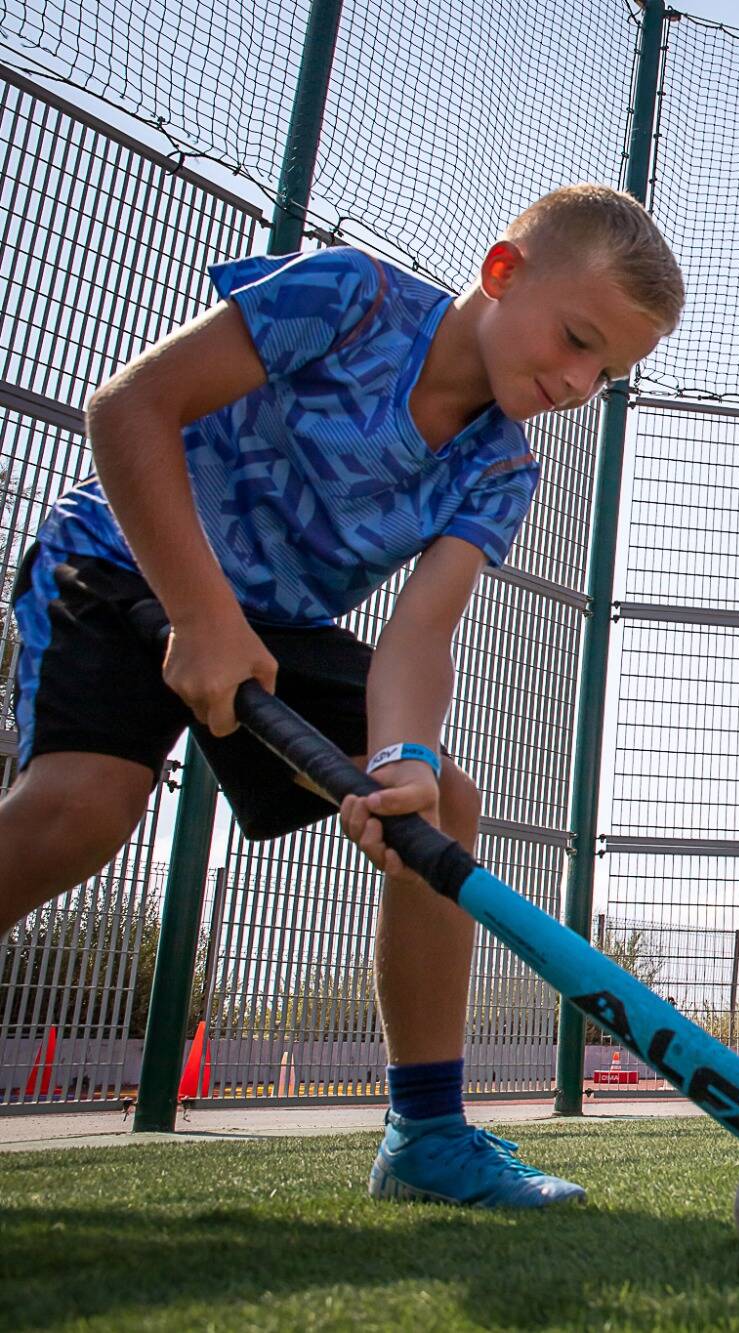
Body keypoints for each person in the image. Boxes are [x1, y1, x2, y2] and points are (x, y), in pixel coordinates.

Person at [1, 185, 683, 1206]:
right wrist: (201, 613)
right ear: (503, 274)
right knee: (87, 806)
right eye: (576, 339)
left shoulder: (499, 467)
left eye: (608, 372)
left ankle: (426, 1138)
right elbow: (128, 408)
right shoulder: (349, 298)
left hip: (275, 625)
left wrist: (401, 754)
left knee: (440, 804)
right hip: (122, 560)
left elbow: (418, 634)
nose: (580, 382)